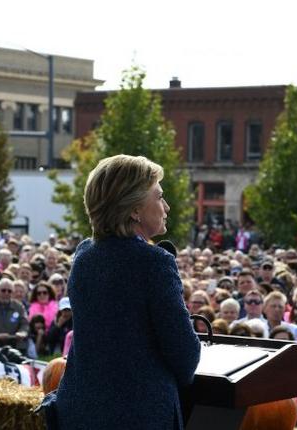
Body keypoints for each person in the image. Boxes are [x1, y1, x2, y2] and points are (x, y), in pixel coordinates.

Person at [54, 155, 201, 430]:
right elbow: (185, 357)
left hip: (79, 412)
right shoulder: (154, 263)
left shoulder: (84, 255)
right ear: (134, 210)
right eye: (159, 197)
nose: (166, 206)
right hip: (139, 417)